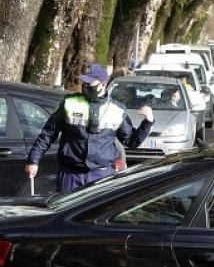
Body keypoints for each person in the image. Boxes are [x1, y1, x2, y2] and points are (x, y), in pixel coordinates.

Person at [24, 64, 154, 193]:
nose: (85, 86)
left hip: (102, 176)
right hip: (70, 174)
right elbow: (48, 134)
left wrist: (147, 122)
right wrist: (33, 160)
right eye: (84, 83)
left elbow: (131, 141)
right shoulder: (69, 104)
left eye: (89, 83)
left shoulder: (117, 110)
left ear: (103, 84)